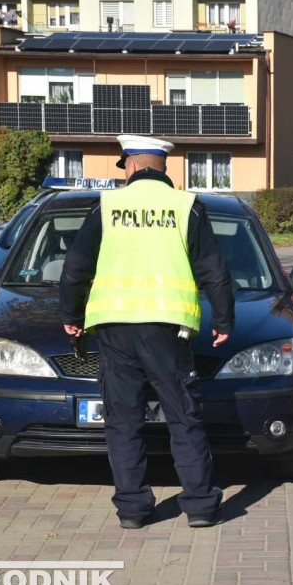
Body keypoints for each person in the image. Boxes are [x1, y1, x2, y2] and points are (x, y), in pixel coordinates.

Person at [60, 135, 235, 530]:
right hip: (167, 330)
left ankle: (134, 509)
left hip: (113, 327)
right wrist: (224, 320)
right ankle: (201, 506)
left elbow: (75, 268)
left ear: (132, 166)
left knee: (123, 422)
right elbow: (214, 270)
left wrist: (71, 314)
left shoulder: (107, 206)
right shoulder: (185, 206)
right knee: (183, 416)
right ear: (162, 167)